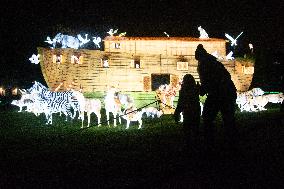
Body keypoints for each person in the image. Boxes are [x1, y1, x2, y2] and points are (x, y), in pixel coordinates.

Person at [195, 44, 238, 149]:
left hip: (219, 94)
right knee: (228, 119)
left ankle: (210, 143)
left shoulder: (203, 65)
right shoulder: (215, 63)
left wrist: (200, 89)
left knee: (207, 117)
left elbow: (207, 83)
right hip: (228, 92)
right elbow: (226, 76)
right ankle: (232, 142)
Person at [174, 74, 201, 147]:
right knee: (195, 128)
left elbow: (180, 102)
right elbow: (202, 93)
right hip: (195, 110)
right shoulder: (195, 89)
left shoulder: (183, 90)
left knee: (187, 129)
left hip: (188, 111)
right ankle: (196, 145)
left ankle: (188, 145)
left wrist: (177, 113)